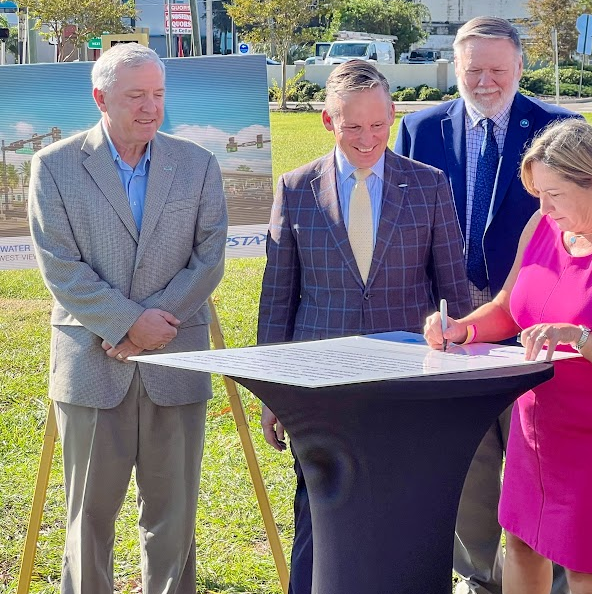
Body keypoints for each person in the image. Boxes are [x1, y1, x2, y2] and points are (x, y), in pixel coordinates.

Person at [423, 119, 592, 594]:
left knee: (586, 568)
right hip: (535, 426)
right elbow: (508, 308)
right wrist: (462, 329)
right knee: (520, 544)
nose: (543, 207)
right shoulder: (542, 226)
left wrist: (579, 337)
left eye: (554, 194)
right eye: (539, 194)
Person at [257, 61, 471, 594]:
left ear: (393, 115)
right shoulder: (296, 187)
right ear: (328, 120)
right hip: (319, 382)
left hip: (407, 379)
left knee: (407, 509)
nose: (367, 138)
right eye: (352, 126)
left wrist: (456, 374)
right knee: (319, 509)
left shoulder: (428, 185)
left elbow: (454, 294)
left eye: (377, 124)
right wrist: (271, 391)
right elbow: (278, 296)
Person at [27, 43, 228, 594]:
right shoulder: (54, 166)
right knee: (88, 519)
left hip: (176, 360)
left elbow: (209, 257)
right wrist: (127, 324)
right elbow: (60, 266)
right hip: (93, 364)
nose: (150, 107)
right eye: (136, 95)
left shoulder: (198, 163)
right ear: (101, 98)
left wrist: (151, 327)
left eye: (158, 94)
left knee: (174, 518)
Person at [394, 16, 578, 594]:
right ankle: (479, 577)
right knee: (467, 462)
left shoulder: (560, 130)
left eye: (498, 69)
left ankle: (552, 582)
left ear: (520, 67)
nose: (485, 81)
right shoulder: (419, 129)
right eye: (474, 69)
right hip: (449, 326)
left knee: (539, 463)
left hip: (532, 327)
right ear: (456, 66)